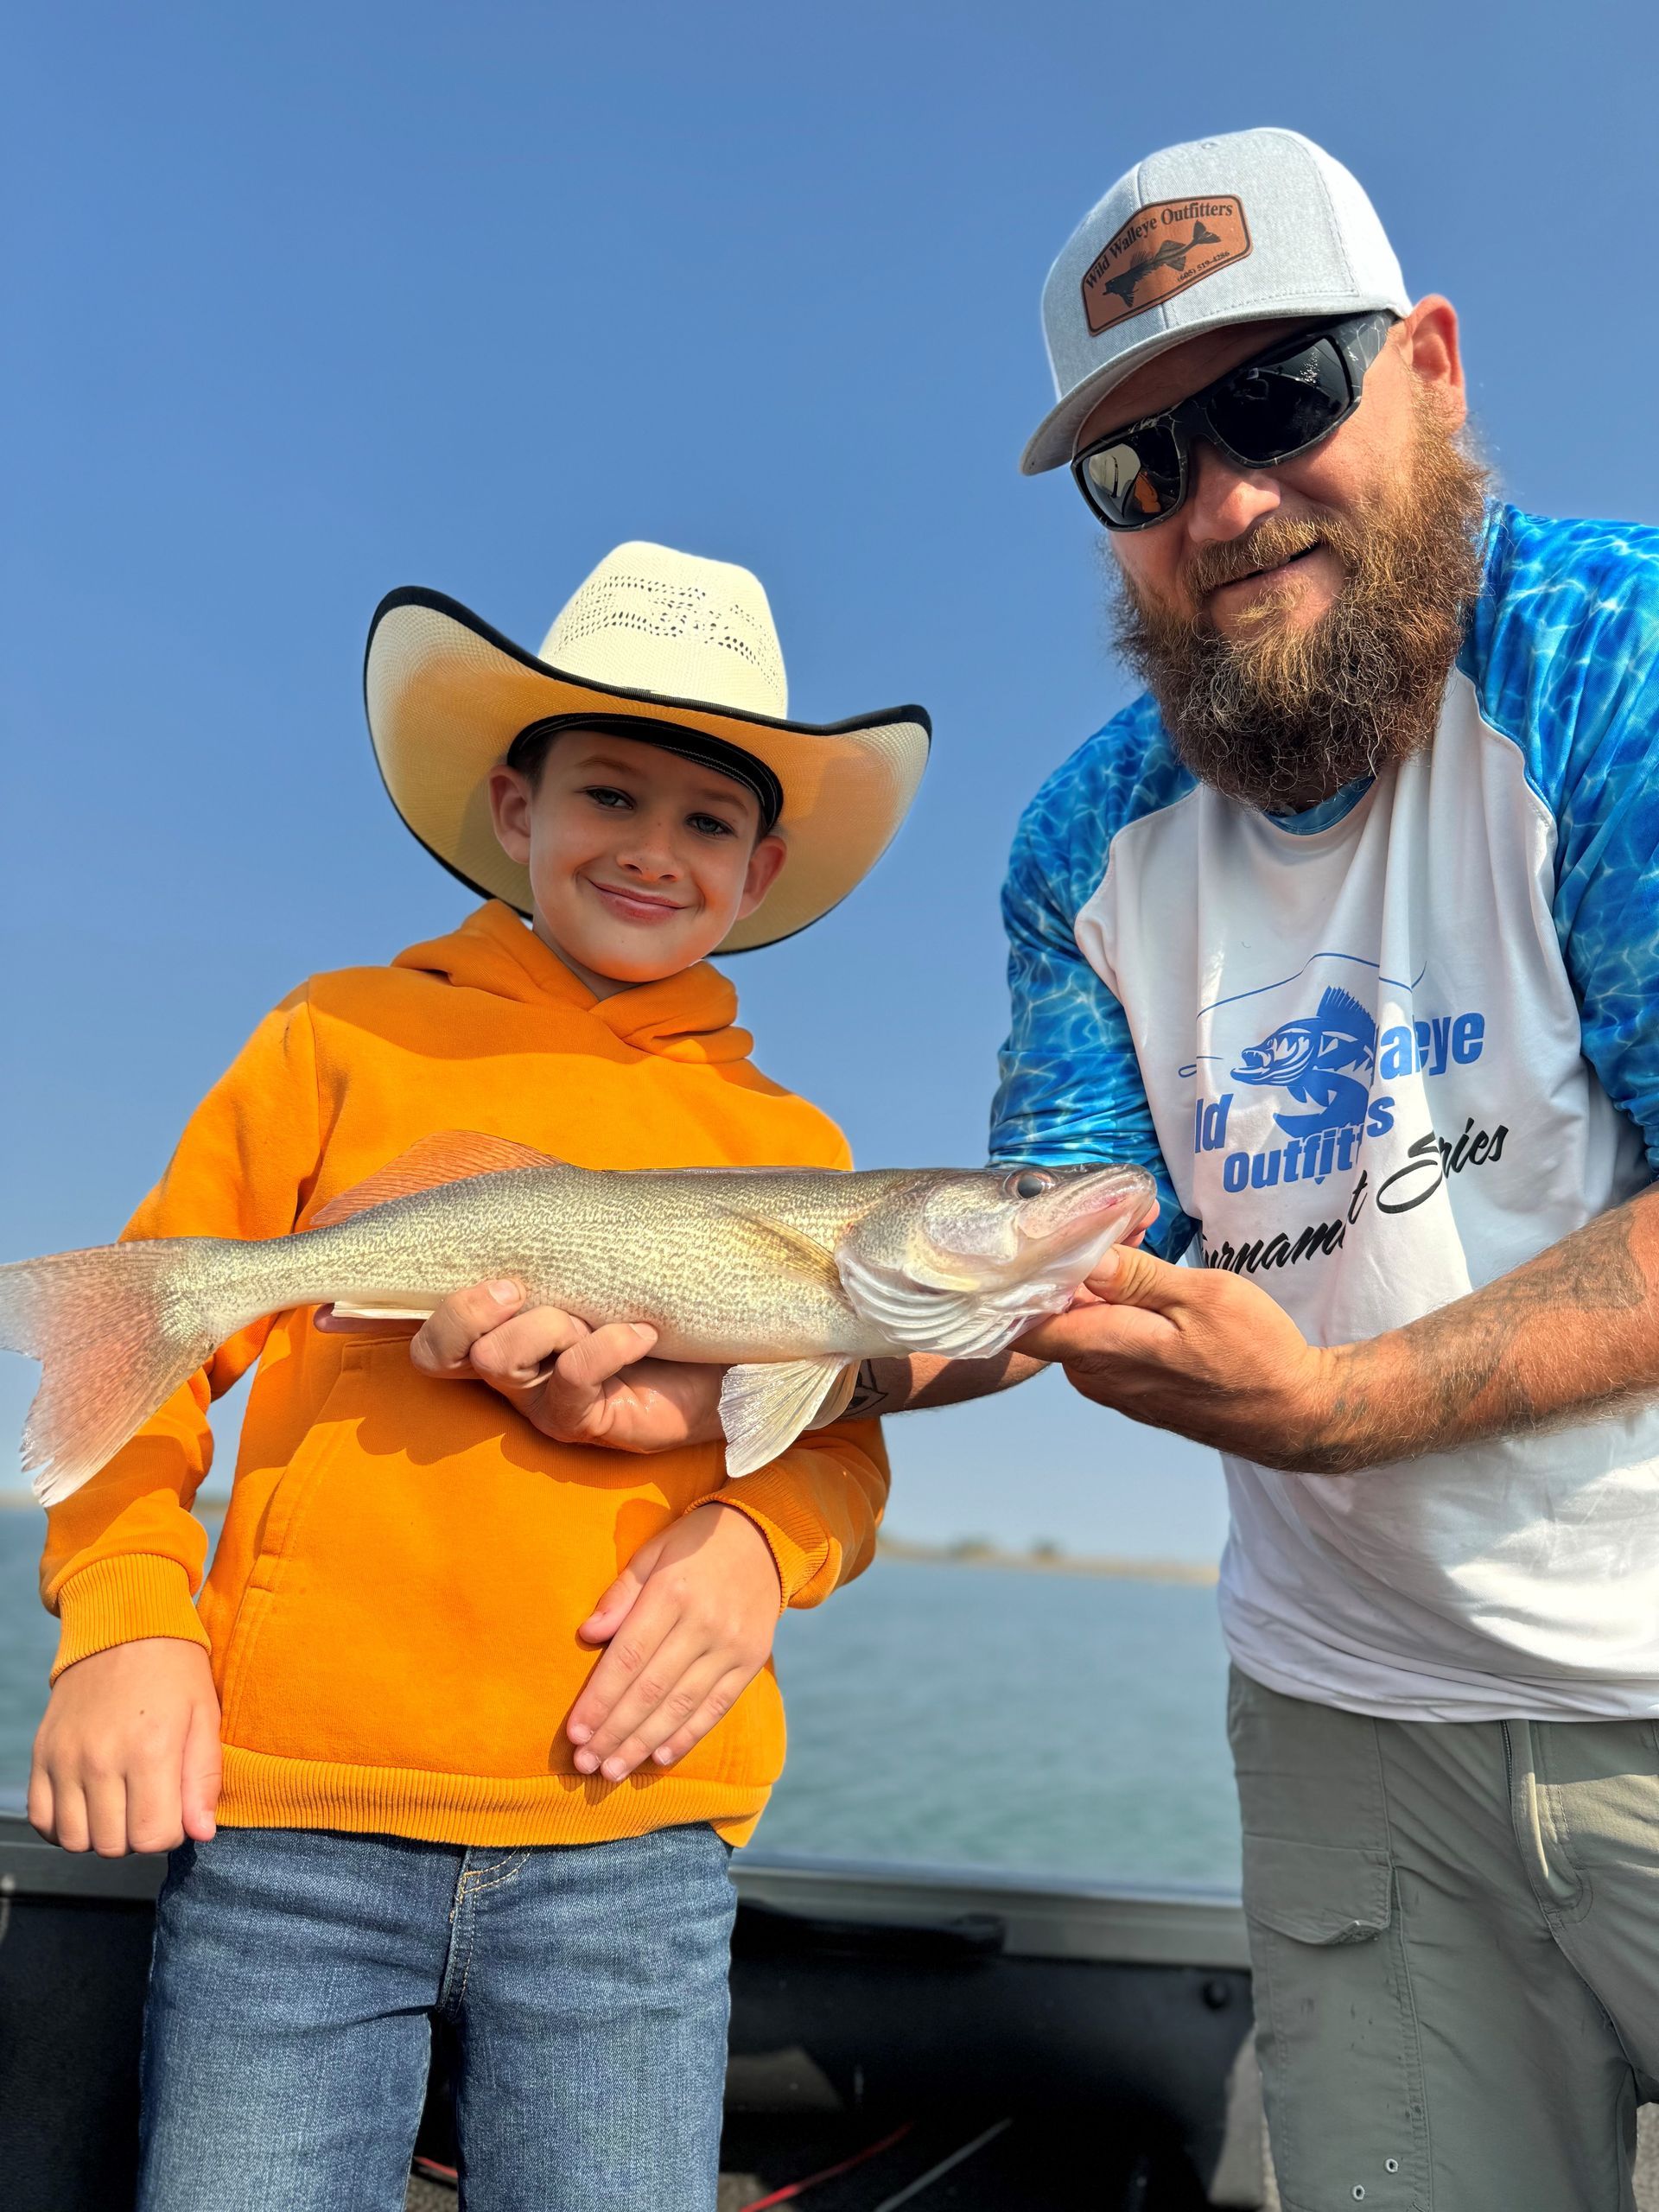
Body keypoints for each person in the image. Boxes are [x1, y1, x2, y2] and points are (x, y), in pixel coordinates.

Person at [451, 130, 1659, 2209]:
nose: (1225, 498)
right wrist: (741, 1393)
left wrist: (1349, 1405)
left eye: (1280, 396)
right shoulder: (1080, 839)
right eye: (1139, 468)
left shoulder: (1612, 666)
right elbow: (1032, 1261)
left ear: (1435, 369)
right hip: (1345, 1726)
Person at [27, 540, 927, 2212]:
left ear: (763, 863)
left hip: (636, 1842)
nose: (654, 849)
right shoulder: (340, 1035)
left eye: (708, 821)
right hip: (286, 1820)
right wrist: (127, 1624)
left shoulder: (798, 1149)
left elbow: (844, 1442)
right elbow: (144, 1348)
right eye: (608, 793)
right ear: (516, 810)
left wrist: (759, 1542)